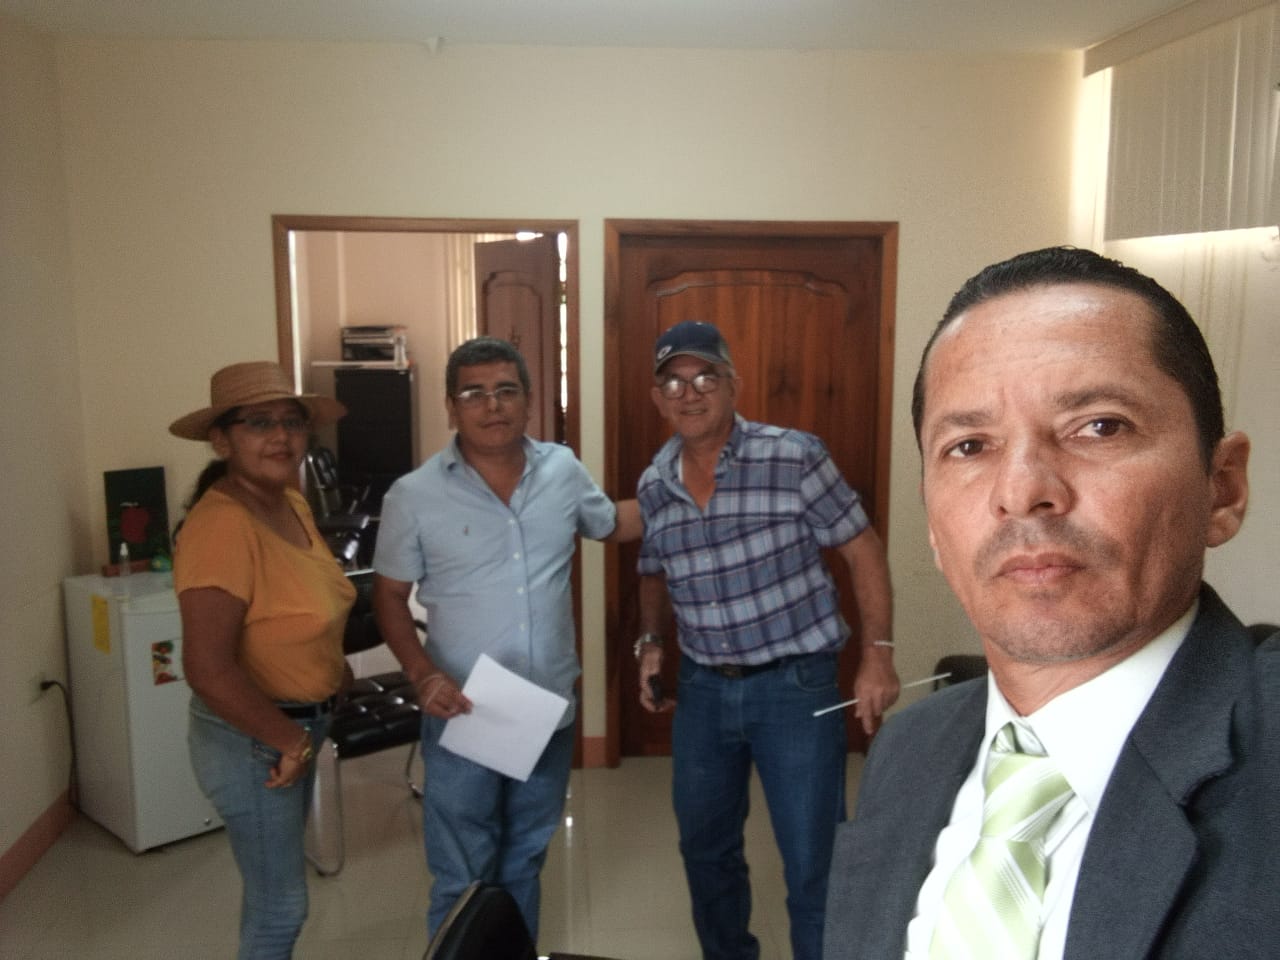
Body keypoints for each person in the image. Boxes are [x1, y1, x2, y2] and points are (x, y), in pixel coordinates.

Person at [824, 246, 1279, 960]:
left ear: (1222, 488)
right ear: (935, 526)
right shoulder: (906, 751)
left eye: (1100, 426)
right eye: (969, 446)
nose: (1022, 490)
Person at [634, 320, 899, 960]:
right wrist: (652, 642)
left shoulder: (793, 456)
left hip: (795, 689)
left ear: (734, 384)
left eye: (705, 377)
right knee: (706, 852)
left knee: (813, 860)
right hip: (702, 692)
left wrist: (877, 655)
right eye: (674, 381)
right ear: (658, 397)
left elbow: (862, 549)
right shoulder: (654, 483)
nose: (690, 393)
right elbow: (653, 570)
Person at [371, 336, 641, 943]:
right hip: (463, 708)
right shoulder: (413, 495)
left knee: (524, 861)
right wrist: (421, 673)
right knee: (461, 876)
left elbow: (611, 523)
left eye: (505, 390)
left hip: (546, 707)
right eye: (474, 393)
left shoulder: (562, 471)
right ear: (451, 407)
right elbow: (387, 597)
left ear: (529, 401)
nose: (492, 405)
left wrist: (689, 488)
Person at [169, 361, 357, 959]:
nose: (281, 436)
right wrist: (290, 741)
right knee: (281, 908)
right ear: (221, 441)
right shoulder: (220, 526)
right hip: (255, 741)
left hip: (292, 731)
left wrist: (334, 668)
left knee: (272, 894)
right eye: (258, 423)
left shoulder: (288, 501)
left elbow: (303, 602)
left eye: (291, 422)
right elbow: (208, 668)